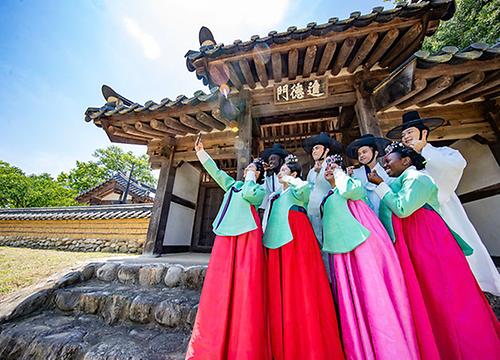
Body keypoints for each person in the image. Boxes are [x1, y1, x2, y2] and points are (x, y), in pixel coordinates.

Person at [368, 142, 500, 360]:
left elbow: (403, 208)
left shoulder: (419, 179)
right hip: (418, 247)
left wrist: (381, 186)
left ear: (406, 161)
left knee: (448, 301)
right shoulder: (400, 182)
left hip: (432, 246)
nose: (385, 164)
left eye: (388, 161)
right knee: (432, 304)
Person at [387, 110, 500, 296]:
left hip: (445, 210)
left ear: (424, 133)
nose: (406, 137)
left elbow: (454, 168)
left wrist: (424, 150)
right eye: (404, 134)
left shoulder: (442, 153)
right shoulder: (406, 162)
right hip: (417, 215)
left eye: (410, 132)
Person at [321, 154, 420, 360]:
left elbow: (352, 190)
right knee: (353, 300)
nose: (329, 169)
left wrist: (340, 173)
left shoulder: (351, 185)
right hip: (342, 252)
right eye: (326, 167)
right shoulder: (331, 193)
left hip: (361, 247)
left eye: (334, 166)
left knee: (373, 293)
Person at [186, 140, 271, 360]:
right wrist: (202, 153)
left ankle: (242, 344)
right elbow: (215, 172)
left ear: (259, 174)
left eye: (253, 168)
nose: (247, 170)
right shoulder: (232, 185)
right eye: (247, 168)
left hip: (248, 238)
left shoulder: (259, 189)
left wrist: (252, 177)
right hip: (226, 237)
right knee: (220, 285)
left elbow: (250, 195)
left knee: (245, 287)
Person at [263, 154, 344, 360]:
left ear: (295, 174)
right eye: (280, 171)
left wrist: (289, 178)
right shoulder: (275, 196)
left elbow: (305, 190)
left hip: (296, 240)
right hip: (275, 242)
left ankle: (306, 343)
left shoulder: (298, 191)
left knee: (300, 288)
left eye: (284, 170)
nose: (280, 174)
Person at [345, 134, 392, 216]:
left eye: (364, 152)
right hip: (364, 215)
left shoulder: (386, 172)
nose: (361, 156)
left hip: (384, 213)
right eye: (359, 154)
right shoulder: (354, 173)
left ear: (376, 153)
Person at [259, 143, 288, 225]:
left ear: (281, 161)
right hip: (271, 211)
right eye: (270, 160)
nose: (271, 161)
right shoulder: (268, 177)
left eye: (273, 159)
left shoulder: (288, 175)